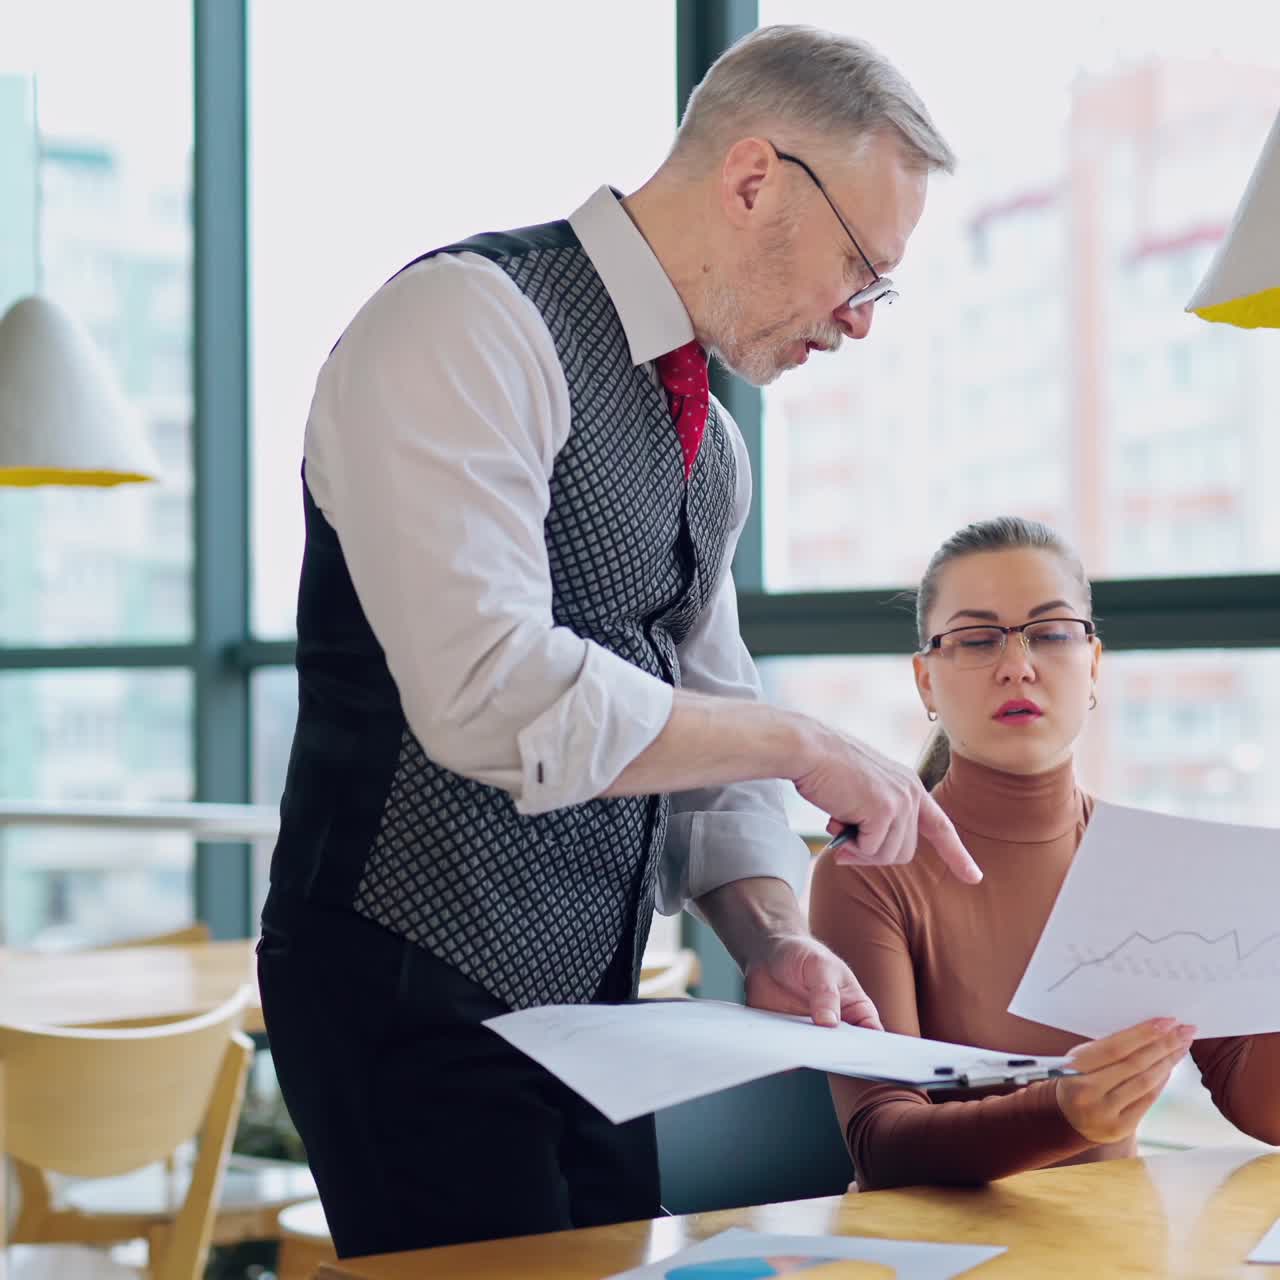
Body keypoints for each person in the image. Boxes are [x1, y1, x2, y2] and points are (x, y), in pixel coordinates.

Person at [258, 24, 983, 1257]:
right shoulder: (468, 323)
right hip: (401, 977)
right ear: (754, 178)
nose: (858, 320)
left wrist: (772, 936)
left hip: (593, 1010)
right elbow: (491, 693)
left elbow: (701, 712)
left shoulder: (715, 445)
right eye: (860, 267)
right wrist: (805, 742)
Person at [811, 516, 1280, 1191]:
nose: (1017, 666)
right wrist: (1065, 1111)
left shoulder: (1155, 863)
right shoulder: (868, 871)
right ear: (925, 682)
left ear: (1092, 663)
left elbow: (1262, 1111)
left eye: (1052, 633)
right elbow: (882, 1144)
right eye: (976, 639)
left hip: (1116, 1250)